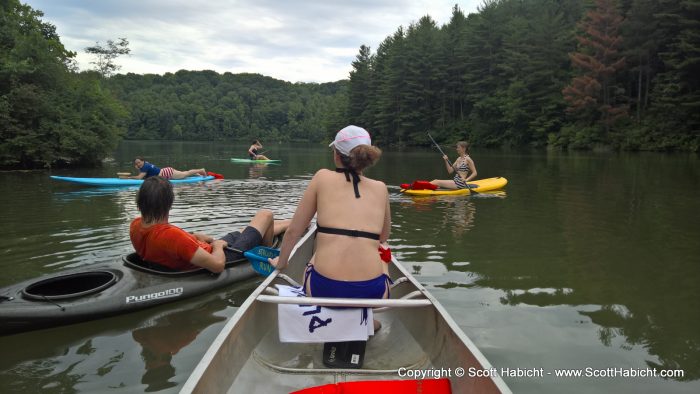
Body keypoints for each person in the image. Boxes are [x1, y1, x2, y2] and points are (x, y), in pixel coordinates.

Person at [269, 125, 391, 306]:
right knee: (384, 251)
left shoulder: (322, 177)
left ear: (336, 154)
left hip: (324, 288)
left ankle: (328, 311)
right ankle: (366, 317)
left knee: (316, 253)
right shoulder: (381, 188)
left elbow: (294, 231)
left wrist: (281, 263)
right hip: (372, 292)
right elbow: (383, 236)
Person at [130, 176, 290, 273]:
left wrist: (196, 237)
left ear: (141, 203)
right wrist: (219, 245)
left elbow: (172, 243)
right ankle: (265, 250)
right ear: (169, 204)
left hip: (207, 249)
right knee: (266, 215)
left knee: (245, 230)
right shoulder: (170, 236)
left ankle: (289, 224)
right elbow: (218, 266)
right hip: (225, 255)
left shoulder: (136, 225)